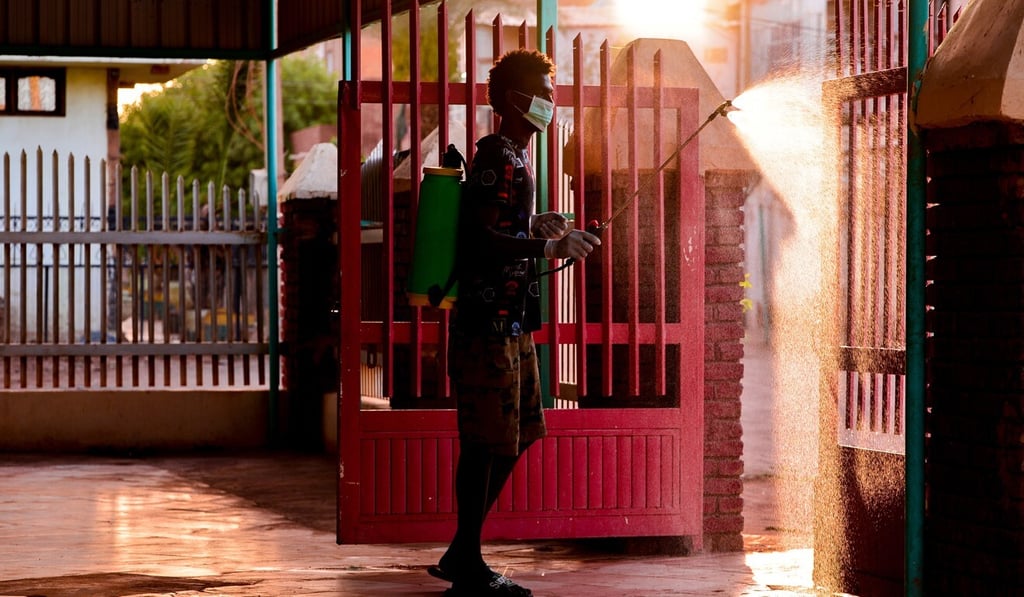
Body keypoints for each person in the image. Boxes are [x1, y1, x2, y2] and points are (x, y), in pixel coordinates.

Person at [428, 49, 601, 597]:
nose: (551, 102)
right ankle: (468, 561)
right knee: (485, 442)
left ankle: (463, 550)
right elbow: (477, 240)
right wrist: (549, 243)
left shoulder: (517, 159)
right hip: (485, 325)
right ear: (514, 100)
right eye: (544, 92)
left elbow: (502, 225)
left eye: (552, 92)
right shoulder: (496, 157)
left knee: (520, 434)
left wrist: (535, 225)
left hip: (512, 323)